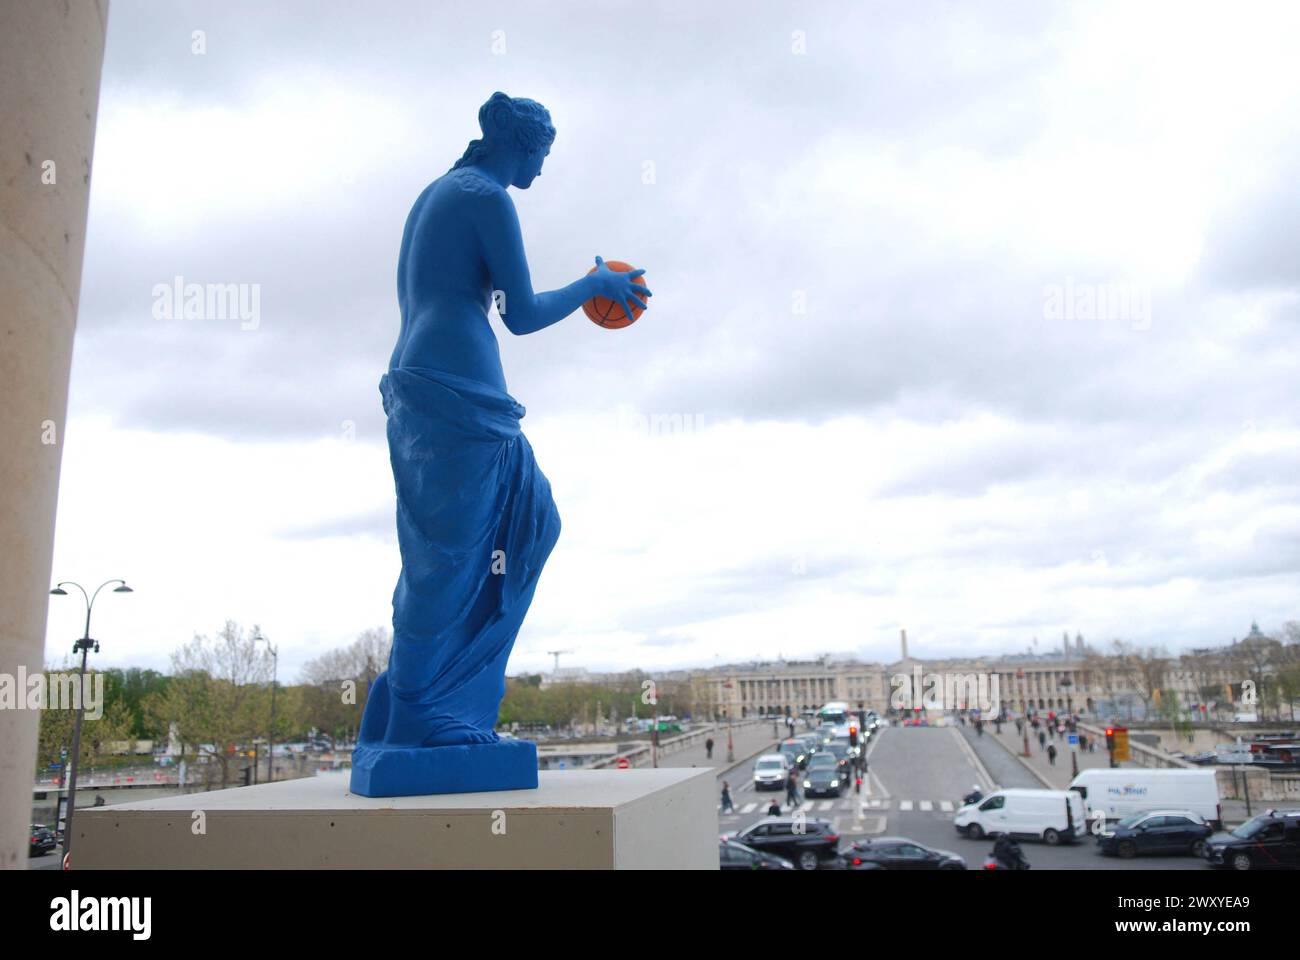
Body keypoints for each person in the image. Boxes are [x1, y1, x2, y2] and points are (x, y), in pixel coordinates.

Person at [351, 93, 651, 797]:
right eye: (540, 156)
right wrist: (595, 284)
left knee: (522, 525)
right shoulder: (485, 196)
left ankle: (419, 700)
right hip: (455, 389)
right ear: (516, 144)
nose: (541, 173)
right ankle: (425, 714)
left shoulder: (439, 192)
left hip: (433, 382)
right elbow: (518, 315)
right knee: (450, 561)